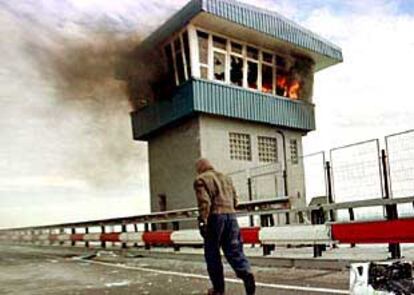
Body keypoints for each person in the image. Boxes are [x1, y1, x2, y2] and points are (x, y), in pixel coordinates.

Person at [193, 158, 256, 295]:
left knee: (212, 254)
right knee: (234, 251)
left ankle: (218, 290)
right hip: (231, 218)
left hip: (215, 218)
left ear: (200, 168)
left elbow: (205, 203)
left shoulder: (201, 180)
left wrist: (203, 221)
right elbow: (235, 201)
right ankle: (247, 274)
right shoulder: (226, 178)